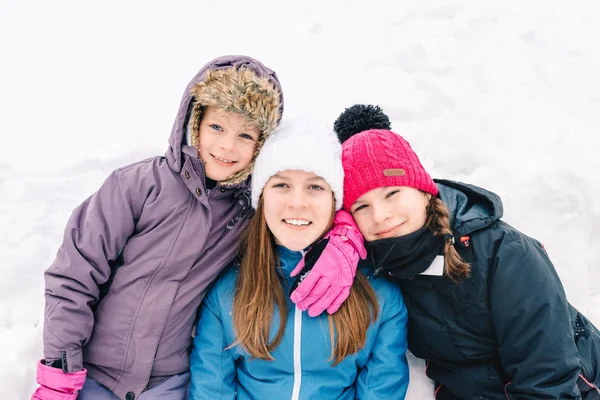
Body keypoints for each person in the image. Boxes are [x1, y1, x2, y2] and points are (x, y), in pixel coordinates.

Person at [33, 55, 292, 400]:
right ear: (194, 122)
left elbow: (304, 228)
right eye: (217, 127)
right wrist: (60, 370)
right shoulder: (137, 186)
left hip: (168, 383)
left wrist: (342, 242)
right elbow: (75, 275)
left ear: (261, 146)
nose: (228, 146)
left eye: (245, 135)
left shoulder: (248, 216)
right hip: (93, 373)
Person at [333, 104, 600, 399]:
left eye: (392, 193)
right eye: (361, 206)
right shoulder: (377, 265)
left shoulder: (502, 252)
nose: (380, 215)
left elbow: (547, 374)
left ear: (423, 190)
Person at [188, 119, 410, 399]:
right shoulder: (227, 292)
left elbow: (381, 390)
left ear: (334, 201)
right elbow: (212, 389)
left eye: (315, 187)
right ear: (261, 197)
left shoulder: (379, 297)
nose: (297, 203)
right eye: (281, 185)